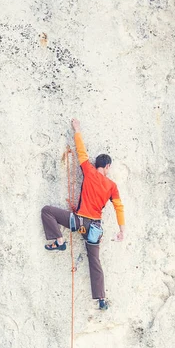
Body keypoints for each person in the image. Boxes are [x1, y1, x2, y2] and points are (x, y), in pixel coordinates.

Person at [41, 118, 125, 310]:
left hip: (78, 221)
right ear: (107, 166)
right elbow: (119, 207)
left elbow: (81, 151)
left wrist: (77, 129)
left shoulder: (88, 170)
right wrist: (122, 230)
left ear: (97, 164)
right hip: (95, 228)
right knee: (95, 261)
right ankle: (101, 299)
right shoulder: (112, 186)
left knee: (47, 211)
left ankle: (59, 241)